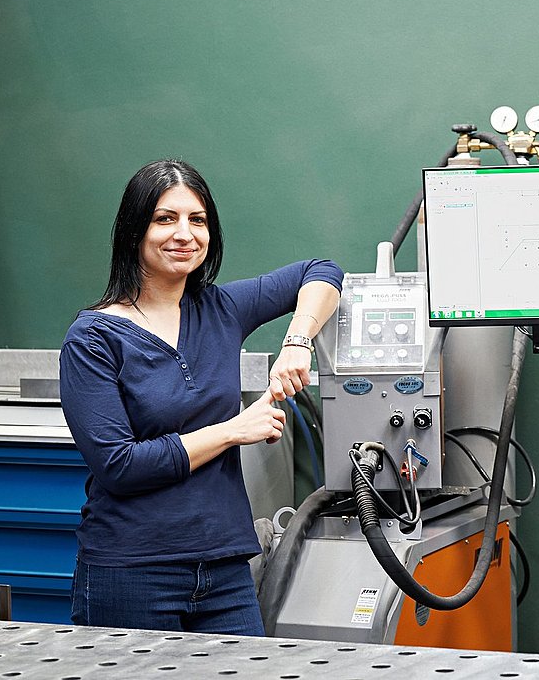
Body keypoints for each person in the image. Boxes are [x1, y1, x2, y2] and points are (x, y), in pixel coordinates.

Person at [59, 159, 342, 634]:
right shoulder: (92, 339)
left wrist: (297, 341)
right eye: (165, 219)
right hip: (131, 572)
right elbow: (120, 466)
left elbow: (321, 272)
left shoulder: (221, 309)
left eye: (198, 220)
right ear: (134, 231)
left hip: (225, 568)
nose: (184, 234)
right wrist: (233, 431)